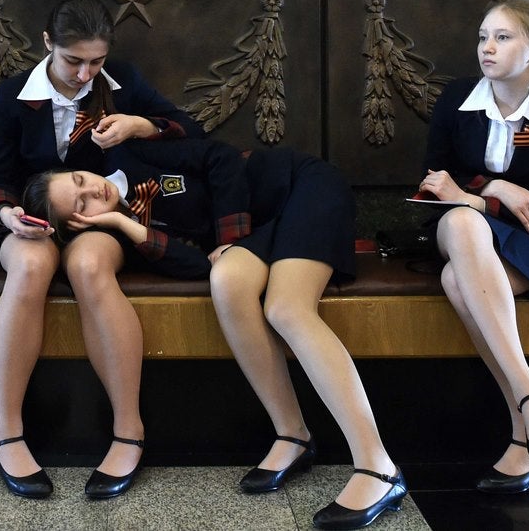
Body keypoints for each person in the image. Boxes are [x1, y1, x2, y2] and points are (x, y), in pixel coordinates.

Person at [25, 139, 407, 531]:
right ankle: (293, 435)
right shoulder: (124, 237)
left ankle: (378, 468)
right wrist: (126, 225)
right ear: (77, 224)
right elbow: (195, 264)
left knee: (286, 308)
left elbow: (221, 158)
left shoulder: (129, 154)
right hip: (263, 231)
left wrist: (228, 239)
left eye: (80, 179)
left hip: (299, 189)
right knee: (224, 281)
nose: (93, 190)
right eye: (82, 204)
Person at [0, 0, 201, 500]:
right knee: (33, 265)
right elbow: (0, 174)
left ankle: (129, 432)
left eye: (96, 62)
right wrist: (7, 214)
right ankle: (6, 433)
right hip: (31, 215)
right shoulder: (16, 92)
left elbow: (192, 130)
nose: (86, 74)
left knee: (87, 264)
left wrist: (141, 125)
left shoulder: (122, 80)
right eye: (73, 60)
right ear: (47, 45)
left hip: (103, 215)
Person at [414, 0, 529, 494]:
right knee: (466, 229)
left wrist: (476, 193)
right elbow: (432, 182)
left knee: (457, 281)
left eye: (502, 37)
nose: (486, 48)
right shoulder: (456, 100)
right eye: (483, 37)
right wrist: (491, 190)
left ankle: (521, 436)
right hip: (453, 226)